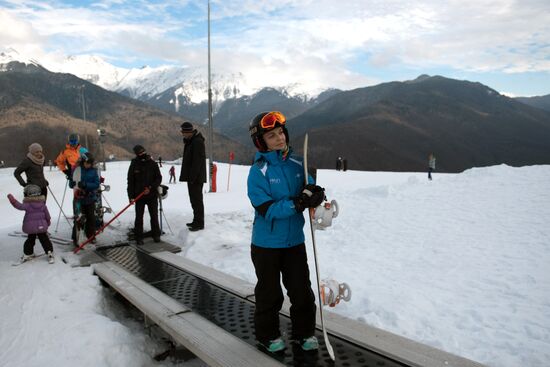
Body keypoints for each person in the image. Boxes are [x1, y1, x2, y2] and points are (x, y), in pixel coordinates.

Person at [247, 111, 325, 353]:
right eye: (272, 136)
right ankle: (267, 335)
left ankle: (304, 334)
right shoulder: (258, 171)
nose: (279, 139)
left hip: (294, 242)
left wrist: (316, 194)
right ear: (262, 142)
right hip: (266, 244)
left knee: (302, 292)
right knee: (270, 294)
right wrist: (297, 203)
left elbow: (308, 189)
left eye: (281, 133)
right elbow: (265, 208)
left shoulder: (296, 164)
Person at [7, 184, 55, 264]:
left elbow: (19, 206)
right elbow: (47, 215)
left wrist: (13, 200)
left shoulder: (27, 205)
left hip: (31, 227)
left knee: (30, 240)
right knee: (44, 239)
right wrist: (48, 222)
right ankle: (49, 253)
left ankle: (28, 254)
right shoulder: (42, 204)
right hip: (41, 226)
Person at [127, 145, 162, 245]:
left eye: (143, 152)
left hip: (151, 195)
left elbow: (158, 178)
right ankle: (139, 237)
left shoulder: (152, 164)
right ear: (136, 154)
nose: (142, 154)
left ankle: (156, 234)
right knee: (139, 217)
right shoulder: (134, 164)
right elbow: (130, 181)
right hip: (139, 196)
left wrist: (150, 187)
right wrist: (130, 197)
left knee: (154, 216)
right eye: (139, 153)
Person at [179, 122, 206, 231]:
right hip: (192, 177)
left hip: (195, 178)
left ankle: (199, 223)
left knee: (197, 200)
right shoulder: (190, 142)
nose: (183, 135)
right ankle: (196, 220)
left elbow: (197, 162)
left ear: (189, 132)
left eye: (184, 132)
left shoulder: (197, 142)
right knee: (194, 200)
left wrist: (192, 177)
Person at [70, 153, 100, 243]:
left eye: (90, 163)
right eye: (87, 163)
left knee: (91, 218)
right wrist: (72, 183)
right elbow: (72, 182)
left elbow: (96, 184)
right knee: (79, 218)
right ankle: (76, 238)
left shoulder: (94, 171)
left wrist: (86, 185)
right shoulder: (77, 170)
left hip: (90, 198)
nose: (88, 165)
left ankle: (91, 236)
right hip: (78, 199)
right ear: (83, 161)